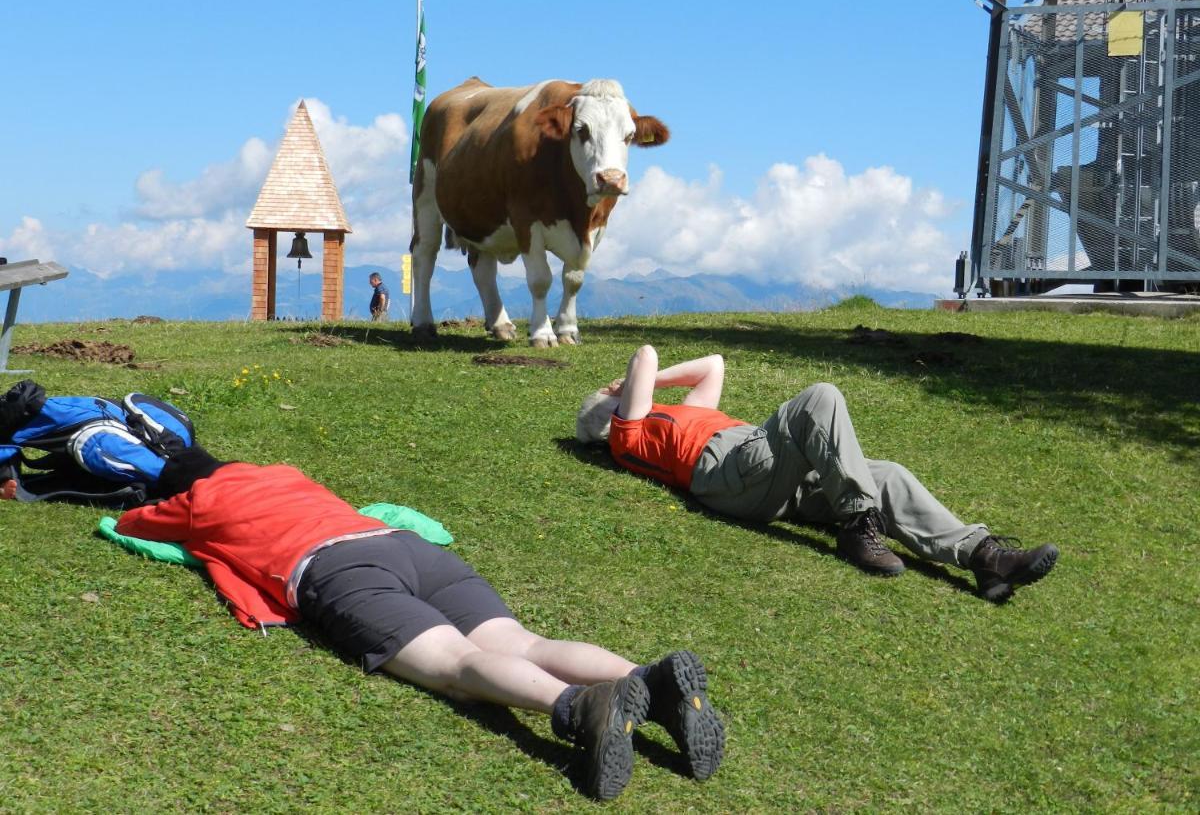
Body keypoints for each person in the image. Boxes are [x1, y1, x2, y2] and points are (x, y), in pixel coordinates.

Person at [113, 445, 725, 801]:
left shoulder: (193, 503)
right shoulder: (284, 473)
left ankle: (576, 708)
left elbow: (132, 522)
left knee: (458, 665)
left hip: (337, 570)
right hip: (402, 543)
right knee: (522, 640)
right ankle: (649, 679)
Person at [576, 345, 1059, 602]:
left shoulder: (676, 417)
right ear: (613, 412)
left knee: (886, 475)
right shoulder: (628, 437)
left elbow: (712, 366)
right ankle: (857, 526)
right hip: (728, 472)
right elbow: (645, 355)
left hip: (763, 473)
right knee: (819, 397)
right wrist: (628, 385)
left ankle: (985, 558)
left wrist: (654, 385)